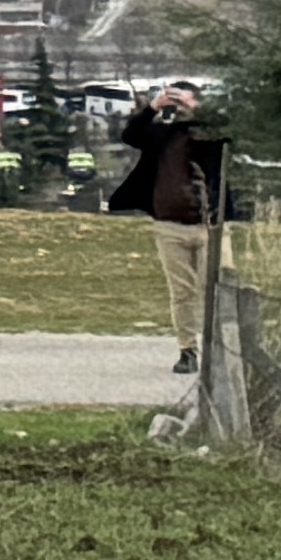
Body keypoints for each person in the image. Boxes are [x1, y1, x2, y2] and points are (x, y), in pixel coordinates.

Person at [108, 80, 224, 372]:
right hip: (170, 226)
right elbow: (130, 135)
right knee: (182, 292)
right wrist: (152, 108)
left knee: (221, 288)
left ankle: (223, 349)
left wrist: (196, 108)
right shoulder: (160, 135)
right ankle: (188, 350)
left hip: (211, 226)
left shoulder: (208, 135)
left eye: (181, 99)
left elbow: (228, 132)